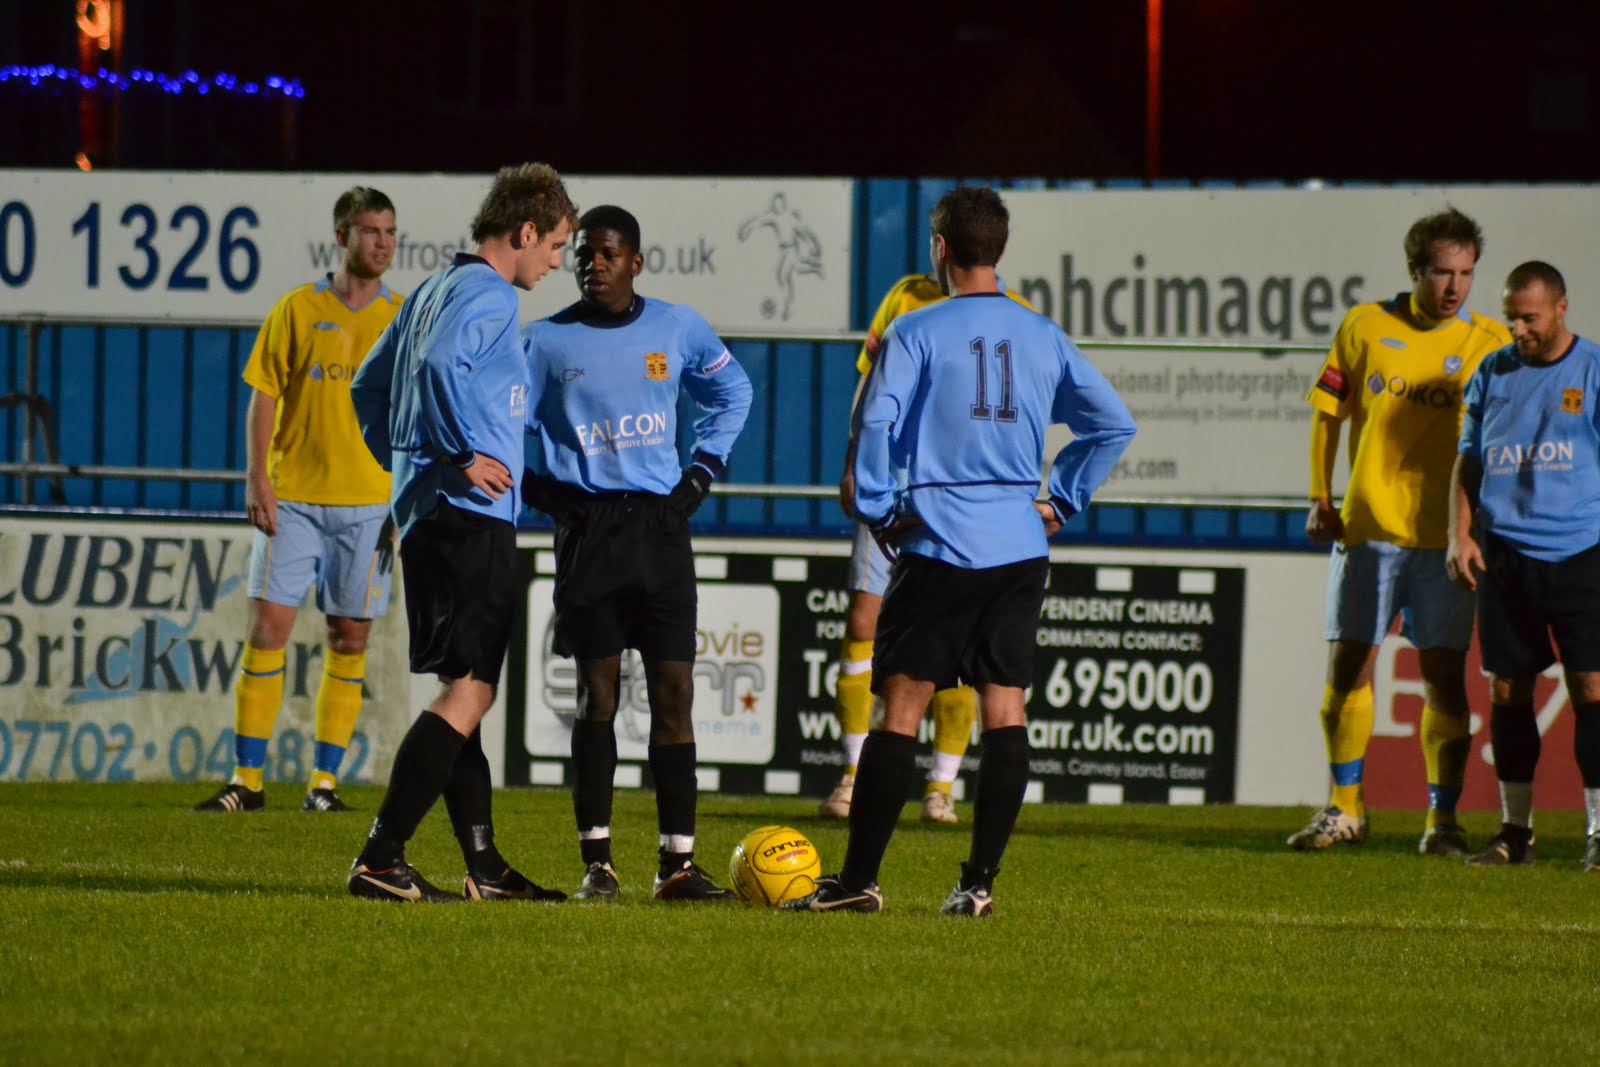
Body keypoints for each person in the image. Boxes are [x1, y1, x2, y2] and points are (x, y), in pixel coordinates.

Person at [785, 185, 1135, 917]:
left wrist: (881, 508)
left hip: (940, 539)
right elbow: (1113, 424)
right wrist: (1061, 496)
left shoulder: (919, 329)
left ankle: (857, 883)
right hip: (1017, 544)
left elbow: (877, 421)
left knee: (902, 707)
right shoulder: (1042, 334)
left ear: (939, 247)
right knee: (1006, 709)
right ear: (998, 249)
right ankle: (976, 885)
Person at [344, 163, 576, 902]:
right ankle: (381, 856)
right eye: (557, 244)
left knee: (462, 688)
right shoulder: (484, 292)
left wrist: (406, 474)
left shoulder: (429, 291)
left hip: (428, 513)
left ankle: (484, 868)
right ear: (526, 229)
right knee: (471, 692)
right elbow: (443, 365)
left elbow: (366, 387)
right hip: (466, 516)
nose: (557, 261)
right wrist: (454, 455)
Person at [521, 205, 753, 902]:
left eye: (609, 253)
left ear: (636, 262)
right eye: (585, 253)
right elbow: (502, 425)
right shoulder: (545, 342)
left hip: (660, 528)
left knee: (675, 692)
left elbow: (733, 390)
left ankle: (677, 864)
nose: (594, 263)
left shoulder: (676, 326)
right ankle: (598, 862)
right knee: (598, 695)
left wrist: (702, 472)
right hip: (589, 531)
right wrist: (548, 495)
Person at [1293, 207, 1511, 855]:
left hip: (1445, 538)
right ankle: (1344, 807)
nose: (1454, 287)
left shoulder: (1490, 342)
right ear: (1414, 269)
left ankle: (1441, 820)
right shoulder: (1365, 325)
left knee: (1444, 675)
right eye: (1442, 272)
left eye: (1466, 273)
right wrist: (1318, 495)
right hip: (1368, 526)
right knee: (1349, 667)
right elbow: (1328, 413)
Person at [194, 187, 403, 815]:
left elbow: (414, 411)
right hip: (296, 500)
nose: (383, 243)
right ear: (340, 237)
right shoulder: (297, 308)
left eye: (391, 232)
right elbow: (263, 394)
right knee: (269, 628)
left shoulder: (400, 316)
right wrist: (258, 478)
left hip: (370, 503)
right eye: (370, 231)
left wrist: (406, 496)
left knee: (349, 637)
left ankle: (324, 785)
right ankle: (246, 780)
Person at [822, 273, 1036, 826]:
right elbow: (868, 384)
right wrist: (853, 462)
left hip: (958, 500)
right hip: (894, 488)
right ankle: (851, 773)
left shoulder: (1011, 310)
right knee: (863, 622)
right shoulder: (905, 295)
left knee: (962, 645)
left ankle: (941, 784)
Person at [1448, 261, 1600, 870]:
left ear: (1562, 308)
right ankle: (1516, 832)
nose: (1518, 329)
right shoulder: (1493, 372)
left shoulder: (1592, 371)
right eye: (1511, 316)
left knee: (1591, 689)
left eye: (1529, 318)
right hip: (1505, 557)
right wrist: (1460, 535)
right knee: (1507, 693)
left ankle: (1598, 832)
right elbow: (1469, 461)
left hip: (1581, 554)